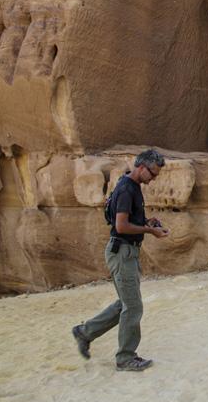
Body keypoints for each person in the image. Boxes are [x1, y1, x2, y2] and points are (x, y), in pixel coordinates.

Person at [72, 149, 170, 371]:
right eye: (153, 174)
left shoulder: (131, 186)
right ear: (142, 167)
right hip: (122, 252)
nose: (154, 179)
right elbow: (121, 226)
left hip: (126, 252)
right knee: (133, 307)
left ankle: (85, 332)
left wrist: (147, 222)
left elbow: (127, 220)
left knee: (125, 303)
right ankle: (125, 358)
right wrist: (150, 230)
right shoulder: (127, 189)